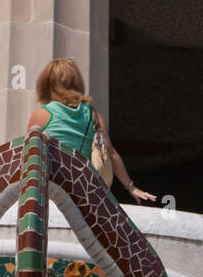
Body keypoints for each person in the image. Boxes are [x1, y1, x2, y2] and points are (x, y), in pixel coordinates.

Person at [27, 59, 157, 204]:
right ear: (77, 83)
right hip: (82, 191)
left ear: (47, 84)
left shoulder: (41, 115)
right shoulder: (93, 115)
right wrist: (131, 187)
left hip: (50, 190)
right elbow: (110, 151)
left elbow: (28, 155)